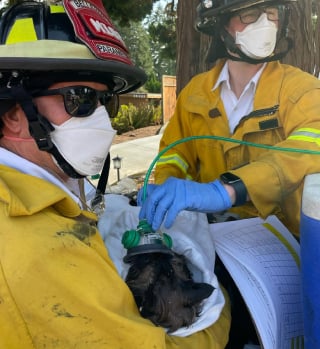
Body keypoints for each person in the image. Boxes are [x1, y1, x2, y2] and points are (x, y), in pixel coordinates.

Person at [0, 1, 231, 348]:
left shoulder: (43, 194)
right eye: (80, 99)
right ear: (14, 114)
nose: (104, 122)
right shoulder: (39, 249)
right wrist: (221, 305)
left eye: (106, 102)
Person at [139, 0, 320, 238]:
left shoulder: (303, 90)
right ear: (222, 23)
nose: (265, 24)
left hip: (289, 242)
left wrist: (228, 190)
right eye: (251, 14)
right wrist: (166, 189)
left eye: (272, 13)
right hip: (213, 236)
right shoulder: (195, 94)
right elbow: (175, 155)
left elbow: (307, 151)